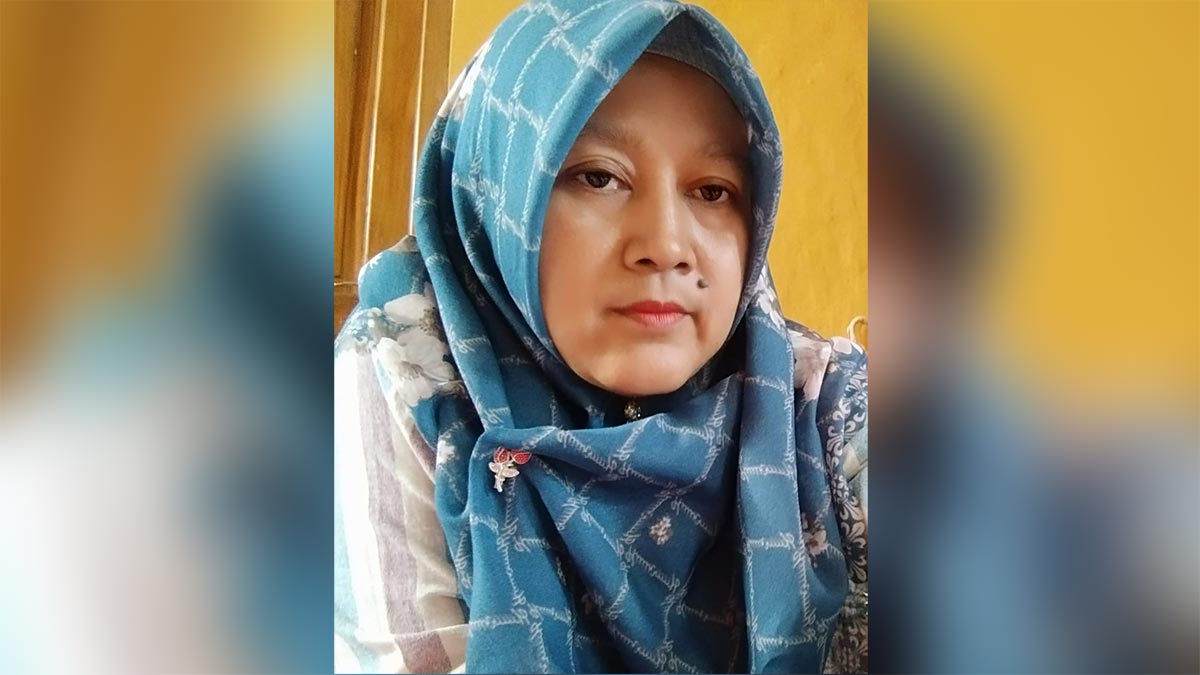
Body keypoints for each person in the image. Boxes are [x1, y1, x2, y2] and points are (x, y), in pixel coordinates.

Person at [334, 1, 867, 672]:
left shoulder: (814, 401)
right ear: (496, 192)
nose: (667, 245)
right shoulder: (409, 368)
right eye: (599, 177)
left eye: (712, 190)